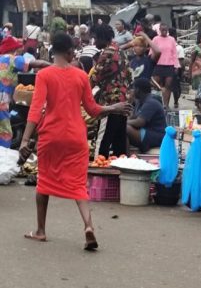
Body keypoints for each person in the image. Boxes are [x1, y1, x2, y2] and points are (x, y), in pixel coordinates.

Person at [20, 33, 130, 249]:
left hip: (51, 136)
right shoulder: (80, 76)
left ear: (53, 51)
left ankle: (41, 230)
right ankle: (88, 226)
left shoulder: (44, 75)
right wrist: (114, 107)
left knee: (44, 182)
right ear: (70, 52)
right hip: (76, 137)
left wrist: (25, 139)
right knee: (79, 185)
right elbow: (93, 110)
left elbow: (35, 110)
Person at [90, 24, 133, 158]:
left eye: (95, 38)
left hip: (110, 105)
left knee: (102, 143)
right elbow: (130, 77)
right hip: (123, 103)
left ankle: (98, 174)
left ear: (103, 38)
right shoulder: (120, 51)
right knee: (118, 146)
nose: (94, 42)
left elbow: (93, 78)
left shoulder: (107, 53)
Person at [0, 37, 49, 148]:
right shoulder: (12, 59)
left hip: (5, 99)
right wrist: (56, 66)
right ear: (14, 49)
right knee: (4, 134)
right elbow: (38, 63)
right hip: (1, 102)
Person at [145, 24, 177, 109]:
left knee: (168, 86)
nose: (164, 31)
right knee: (155, 85)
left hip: (169, 65)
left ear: (167, 30)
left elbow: (174, 53)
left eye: (166, 29)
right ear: (159, 29)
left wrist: (176, 65)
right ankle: (154, 103)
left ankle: (166, 105)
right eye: (162, 29)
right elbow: (151, 51)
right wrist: (150, 63)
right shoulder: (156, 39)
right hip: (158, 65)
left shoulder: (172, 39)